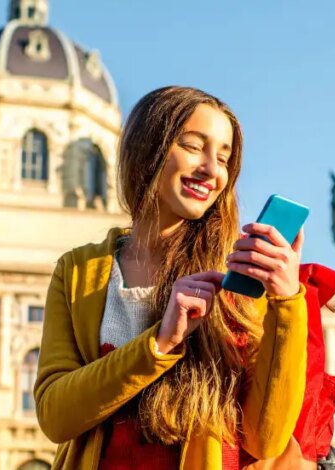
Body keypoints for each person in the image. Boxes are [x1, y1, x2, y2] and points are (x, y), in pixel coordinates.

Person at [34, 86, 311, 469]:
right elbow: (55, 415)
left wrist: (287, 302)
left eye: (224, 158)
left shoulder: (238, 273)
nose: (212, 170)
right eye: (194, 146)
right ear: (148, 150)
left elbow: (267, 439)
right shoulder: (79, 270)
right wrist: (161, 343)